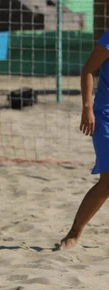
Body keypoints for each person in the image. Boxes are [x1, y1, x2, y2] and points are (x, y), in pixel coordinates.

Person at [59, 29, 109, 250]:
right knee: (108, 182)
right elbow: (88, 70)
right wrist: (87, 108)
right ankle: (74, 233)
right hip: (105, 115)